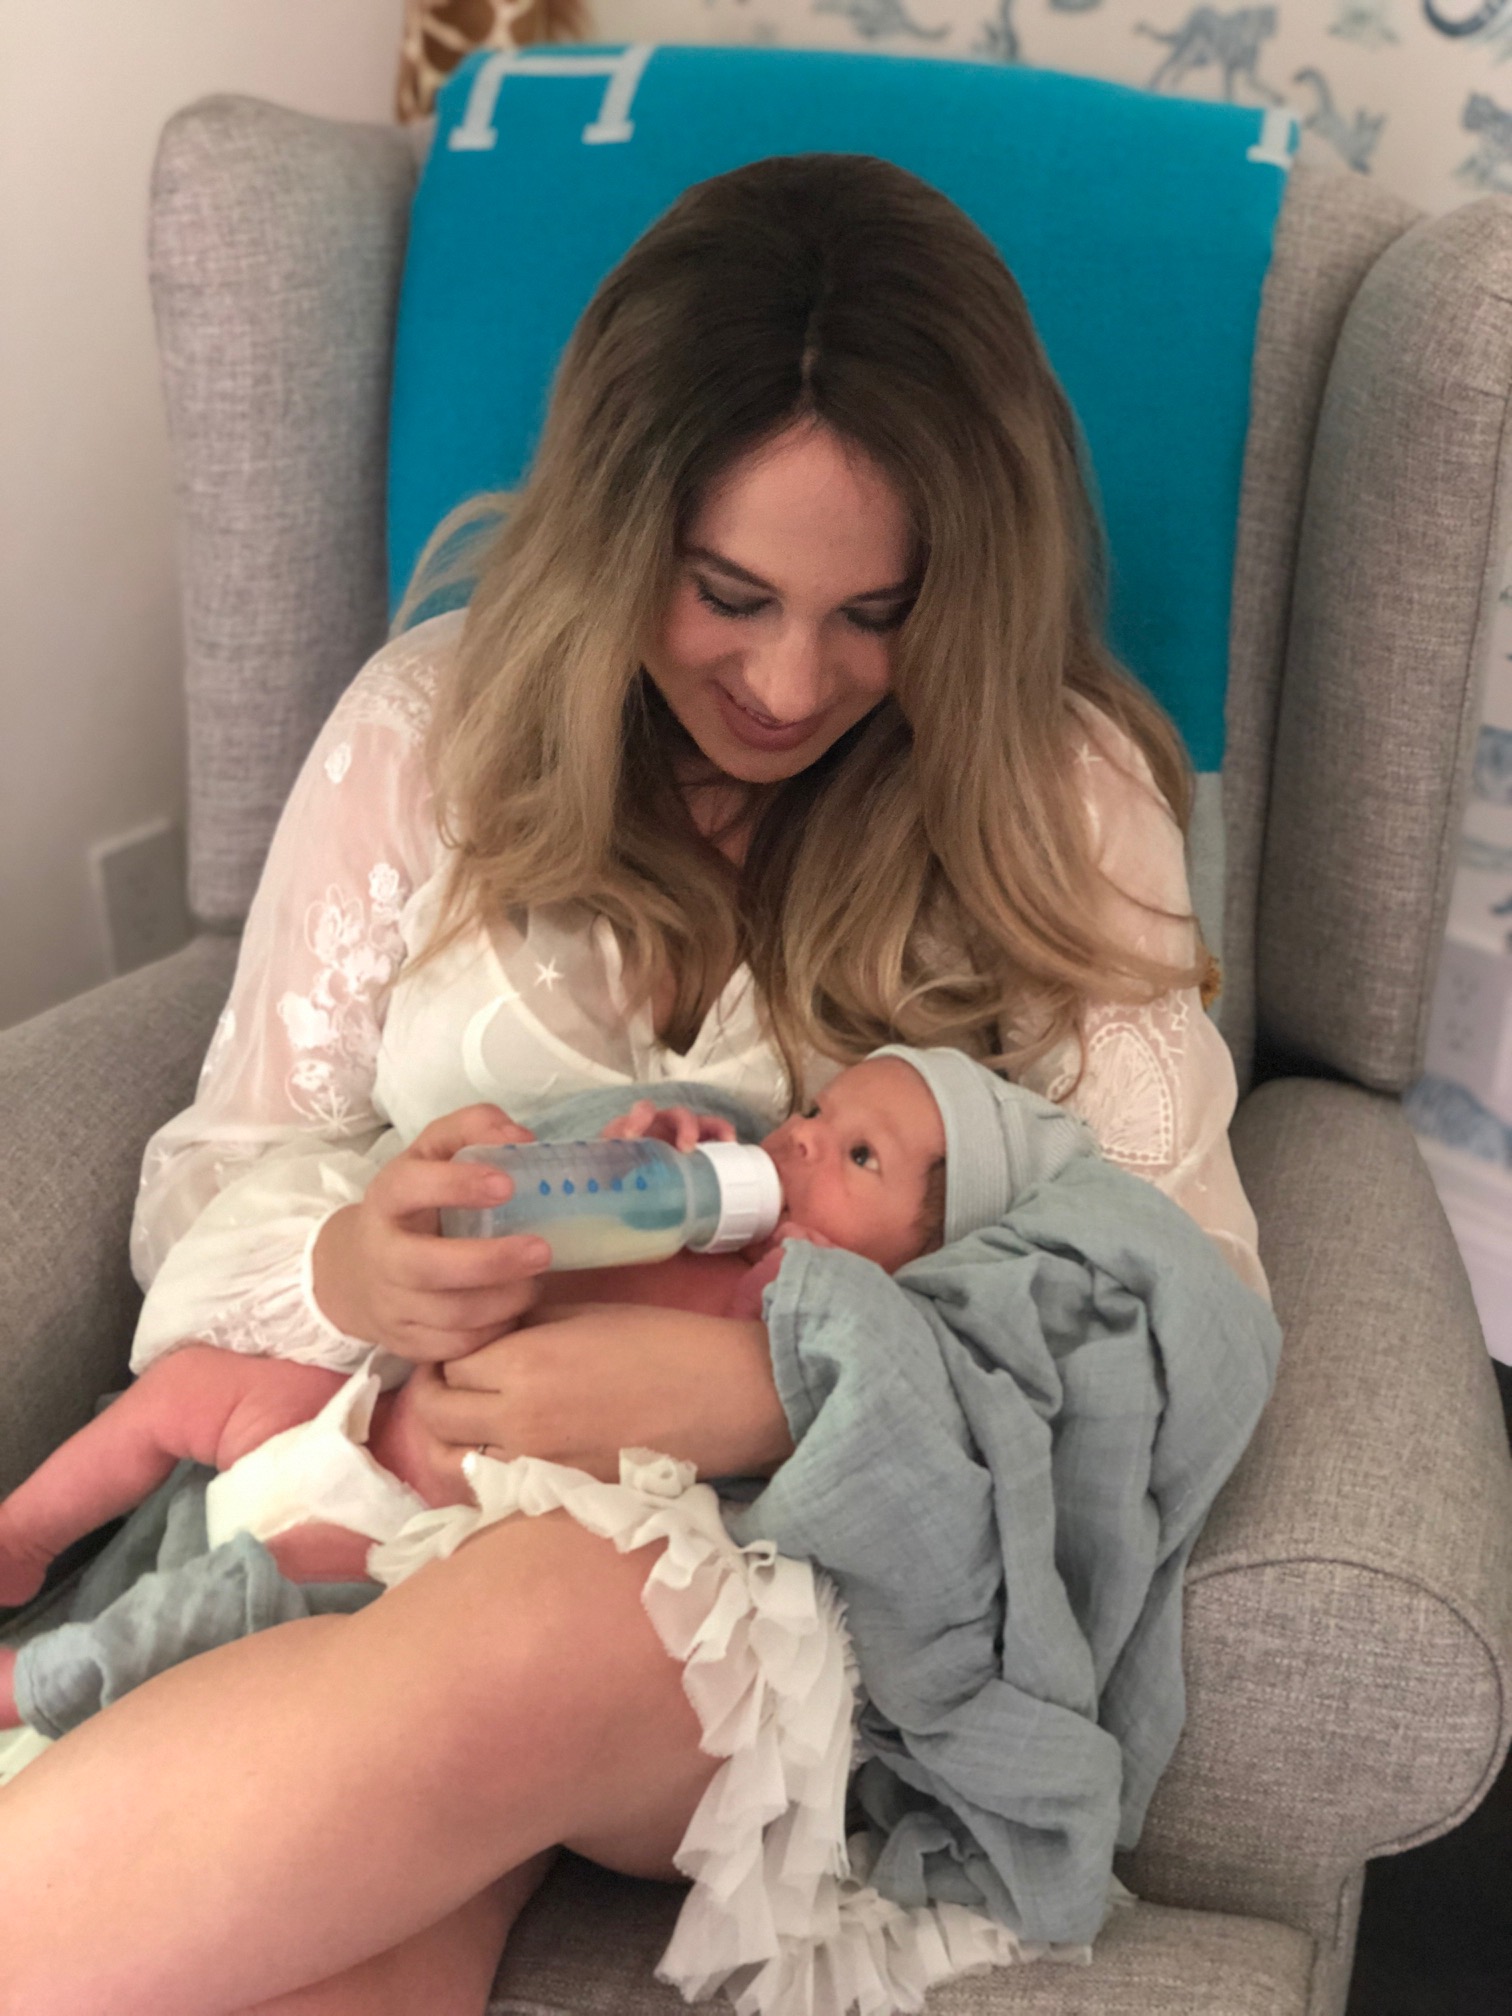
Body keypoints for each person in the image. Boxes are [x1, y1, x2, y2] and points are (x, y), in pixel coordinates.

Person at [0, 151, 1267, 2016]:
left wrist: (780, 1388)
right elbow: (219, 1169)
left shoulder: (1053, 798)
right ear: (617, 528)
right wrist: (356, 1268)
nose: (789, 683)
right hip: (381, 1506)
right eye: (727, 591)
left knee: (540, 1622)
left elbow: (1188, 1308)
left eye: (877, 613)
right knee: (349, 1951)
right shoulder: (426, 732)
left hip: (772, 1586)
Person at [0, 1051, 960, 1647]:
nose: (803, 1142)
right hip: (353, 1413)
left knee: (230, 1619)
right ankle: (25, 1533)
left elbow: (801, 1412)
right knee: (191, 1391)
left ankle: (43, 1684)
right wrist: (645, 1151)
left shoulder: (792, 1315)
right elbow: (564, 1220)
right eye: (815, 1111)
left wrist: (802, 1289)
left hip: (411, 1528)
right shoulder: (695, 1204)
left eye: (860, 1156)